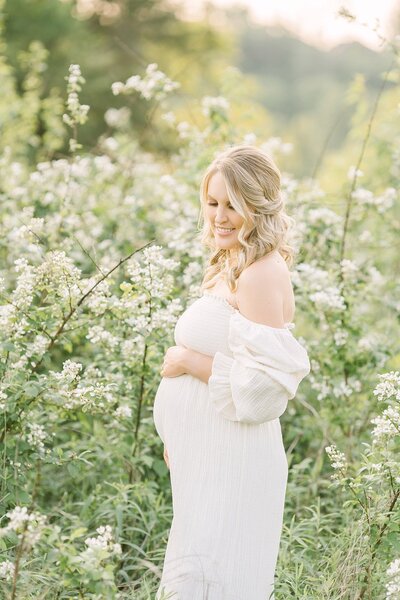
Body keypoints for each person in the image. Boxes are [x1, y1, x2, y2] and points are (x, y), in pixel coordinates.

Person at [153, 145, 311, 600]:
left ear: (258, 207)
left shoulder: (261, 274)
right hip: (205, 457)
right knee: (194, 578)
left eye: (233, 205)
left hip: (235, 462)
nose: (219, 216)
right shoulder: (232, 262)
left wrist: (188, 362)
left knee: (216, 581)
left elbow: (263, 390)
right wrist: (179, 436)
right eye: (213, 202)